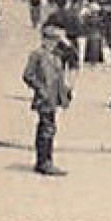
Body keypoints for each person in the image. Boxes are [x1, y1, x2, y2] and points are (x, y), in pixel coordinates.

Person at [23, 25, 72, 176]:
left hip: (55, 97)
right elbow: (28, 75)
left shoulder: (56, 55)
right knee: (46, 129)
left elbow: (72, 57)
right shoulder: (37, 54)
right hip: (44, 98)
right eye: (53, 40)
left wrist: (66, 92)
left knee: (49, 129)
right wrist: (40, 89)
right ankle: (44, 162)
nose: (55, 43)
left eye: (57, 41)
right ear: (45, 39)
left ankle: (44, 160)